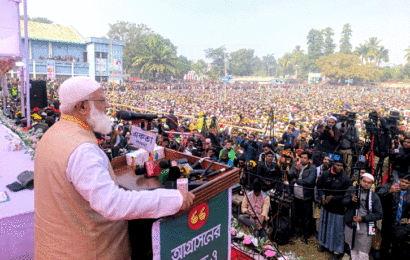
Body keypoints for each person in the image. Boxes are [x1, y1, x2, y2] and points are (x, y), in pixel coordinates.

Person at [34, 76, 195, 260]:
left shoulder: (54, 133)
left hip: (55, 245)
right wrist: (173, 199)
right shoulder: (82, 150)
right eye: (101, 100)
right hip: (89, 251)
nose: (107, 105)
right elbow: (112, 204)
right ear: (82, 106)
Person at [317, 159, 352, 260]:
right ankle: (324, 244)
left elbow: (347, 194)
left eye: (341, 165)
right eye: (337, 165)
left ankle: (337, 251)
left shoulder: (345, 178)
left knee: (337, 230)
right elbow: (319, 186)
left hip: (338, 209)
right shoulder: (325, 174)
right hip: (326, 206)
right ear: (333, 165)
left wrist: (333, 197)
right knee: (324, 226)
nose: (339, 167)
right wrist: (322, 196)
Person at [343, 173, 383, 260]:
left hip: (366, 227)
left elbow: (379, 214)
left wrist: (362, 219)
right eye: (364, 181)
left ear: (372, 184)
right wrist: (351, 200)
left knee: (363, 254)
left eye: (369, 183)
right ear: (360, 181)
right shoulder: (352, 189)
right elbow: (344, 201)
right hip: (351, 224)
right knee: (353, 249)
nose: (366, 184)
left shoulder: (374, 196)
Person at [376, 174, 410, 258]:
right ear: (399, 180)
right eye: (402, 181)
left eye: (407, 183)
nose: (404, 184)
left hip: (402, 225)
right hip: (388, 222)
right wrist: (389, 192)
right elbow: (377, 197)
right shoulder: (389, 186)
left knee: (398, 247)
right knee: (385, 245)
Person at [288, 151, 317, 244]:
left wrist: (297, 180)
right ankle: (297, 233)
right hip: (296, 195)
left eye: (305, 158)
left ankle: (306, 235)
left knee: (306, 217)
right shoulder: (295, 165)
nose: (303, 159)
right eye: (302, 157)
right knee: (296, 215)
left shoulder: (312, 169)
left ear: (309, 160)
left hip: (306, 197)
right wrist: (296, 171)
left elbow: (310, 181)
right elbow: (289, 175)